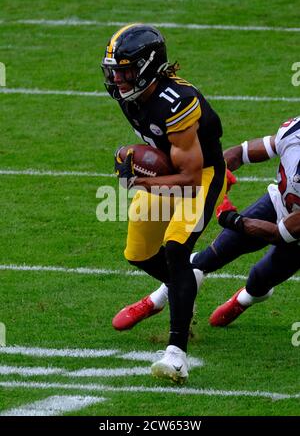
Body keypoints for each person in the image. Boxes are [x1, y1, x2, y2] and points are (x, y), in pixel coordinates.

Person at [101, 23, 227, 383]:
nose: (118, 80)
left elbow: (189, 176)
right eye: (114, 72)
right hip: (170, 174)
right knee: (138, 253)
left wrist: (139, 179)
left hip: (199, 176)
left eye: (124, 71)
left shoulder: (177, 103)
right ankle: (185, 281)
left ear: (147, 67)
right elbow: (159, 149)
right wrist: (134, 160)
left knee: (175, 249)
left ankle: (176, 354)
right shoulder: (133, 96)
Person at [113, 116, 300, 330]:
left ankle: (244, 299)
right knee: (207, 258)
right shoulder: (294, 131)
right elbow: (241, 153)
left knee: (259, 280)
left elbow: (278, 233)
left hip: (295, 235)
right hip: (278, 203)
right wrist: (219, 172)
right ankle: (157, 300)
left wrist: (231, 218)